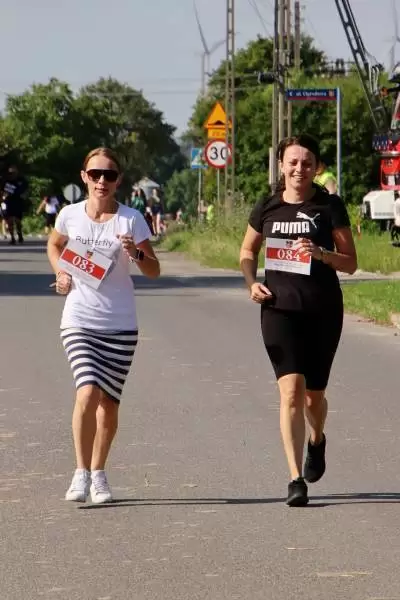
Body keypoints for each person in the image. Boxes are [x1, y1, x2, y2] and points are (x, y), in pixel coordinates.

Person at [239, 134, 357, 507]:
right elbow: (247, 251)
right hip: (278, 310)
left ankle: (316, 439)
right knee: (290, 391)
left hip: (322, 310)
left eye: (306, 163)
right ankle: (294, 478)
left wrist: (321, 253)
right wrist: (251, 282)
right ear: (281, 166)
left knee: (313, 396)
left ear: (316, 167)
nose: (299, 169)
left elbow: (351, 263)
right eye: (292, 162)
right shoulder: (268, 205)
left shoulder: (329, 206)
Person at [47, 147, 160, 504]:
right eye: (95, 174)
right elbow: (55, 245)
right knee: (87, 392)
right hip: (79, 320)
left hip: (120, 324)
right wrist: (61, 273)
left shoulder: (130, 220)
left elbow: (154, 270)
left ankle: (99, 473)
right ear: (84, 177)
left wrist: (135, 253)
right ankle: (80, 473)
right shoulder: (69, 215)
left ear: (118, 180)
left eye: (108, 175)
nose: (101, 181)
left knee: (109, 403)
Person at [1, 164, 28, 244]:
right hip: (9, 202)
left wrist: (24, 194)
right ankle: (12, 237)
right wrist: (3, 197)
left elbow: (26, 189)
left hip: (18, 202)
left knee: (18, 221)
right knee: (9, 221)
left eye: (13, 172)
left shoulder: (21, 180)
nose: (12, 174)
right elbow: (2, 191)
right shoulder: (6, 181)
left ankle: (20, 235)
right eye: (10, 173)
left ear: (17, 172)